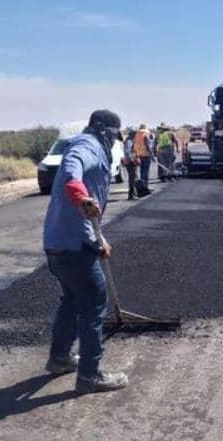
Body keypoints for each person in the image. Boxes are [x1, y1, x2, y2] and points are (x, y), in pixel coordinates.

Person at [42, 109, 129, 394]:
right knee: (93, 304)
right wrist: (81, 197)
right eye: (115, 135)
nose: (116, 141)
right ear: (106, 131)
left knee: (71, 300)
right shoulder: (87, 146)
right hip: (73, 246)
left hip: (59, 243)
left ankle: (60, 358)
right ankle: (90, 375)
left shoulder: (93, 147)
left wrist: (97, 241)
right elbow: (71, 170)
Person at [122, 128, 138, 200]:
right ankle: (131, 195)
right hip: (130, 162)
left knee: (133, 177)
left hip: (130, 161)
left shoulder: (130, 140)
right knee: (132, 178)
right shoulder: (129, 141)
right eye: (135, 133)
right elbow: (128, 152)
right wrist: (132, 160)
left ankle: (133, 194)